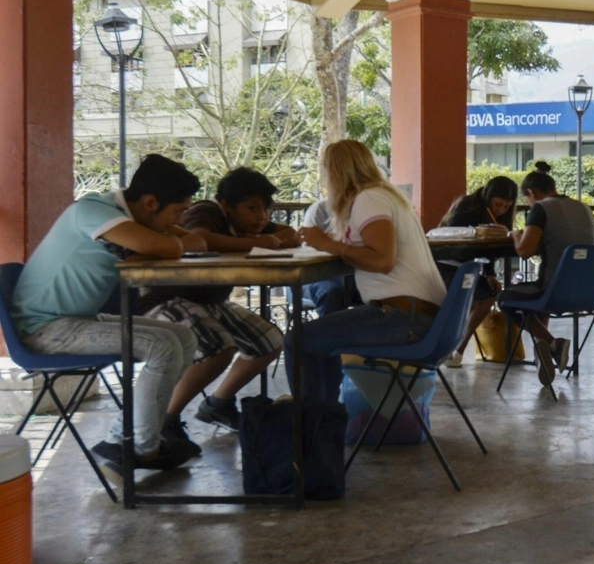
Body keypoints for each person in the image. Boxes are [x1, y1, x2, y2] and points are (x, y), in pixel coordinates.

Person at [10, 155, 205, 470]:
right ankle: (140, 448)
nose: (180, 222)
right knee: (162, 346)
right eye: (178, 212)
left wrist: (168, 239)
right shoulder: (93, 211)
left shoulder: (124, 218)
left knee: (182, 335)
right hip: (45, 329)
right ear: (150, 202)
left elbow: (192, 242)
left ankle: (125, 440)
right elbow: (170, 247)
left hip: (77, 320)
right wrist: (170, 241)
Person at [137, 167, 296, 437]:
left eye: (265, 210)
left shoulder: (247, 222)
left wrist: (262, 239)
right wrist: (256, 243)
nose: (262, 217)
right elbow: (202, 238)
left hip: (209, 301)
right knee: (219, 348)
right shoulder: (205, 211)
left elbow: (290, 233)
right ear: (226, 205)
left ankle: (218, 404)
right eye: (253, 208)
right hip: (165, 298)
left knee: (269, 341)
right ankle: (166, 420)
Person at [289, 140, 447, 403]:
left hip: (404, 318)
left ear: (335, 173)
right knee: (317, 343)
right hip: (421, 317)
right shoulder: (383, 195)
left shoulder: (369, 199)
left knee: (298, 340)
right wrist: (326, 241)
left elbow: (383, 260)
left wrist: (328, 244)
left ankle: (313, 427)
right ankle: (324, 422)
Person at [501, 161, 594, 386]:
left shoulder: (541, 208)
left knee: (506, 299)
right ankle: (545, 353)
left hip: (555, 292)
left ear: (531, 193)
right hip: (590, 293)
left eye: (527, 200)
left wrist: (516, 234)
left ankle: (552, 343)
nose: (529, 205)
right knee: (535, 302)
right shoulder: (584, 208)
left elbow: (525, 251)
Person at [439, 176, 519, 368]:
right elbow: (457, 241)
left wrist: (490, 273)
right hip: (445, 265)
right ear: (488, 196)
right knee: (469, 296)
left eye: (507, 207)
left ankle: (459, 347)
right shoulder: (466, 207)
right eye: (498, 204)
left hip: (468, 268)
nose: (501, 210)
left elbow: (488, 250)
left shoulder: (497, 218)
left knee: (491, 292)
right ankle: (448, 345)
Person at [298, 198, 350, 317]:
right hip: (315, 276)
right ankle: (332, 334)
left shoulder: (363, 210)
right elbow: (309, 248)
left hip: (349, 273)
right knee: (331, 292)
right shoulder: (320, 209)